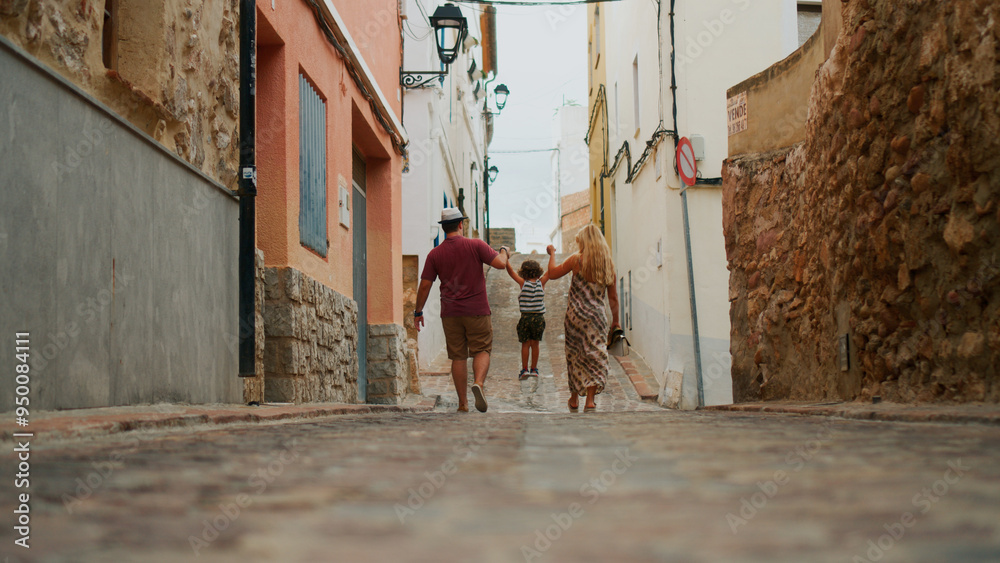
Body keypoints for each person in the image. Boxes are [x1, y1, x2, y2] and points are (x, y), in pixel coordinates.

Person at [414, 208, 510, 412]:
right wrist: (504, 251)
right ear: (460, 224)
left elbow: (424, 285)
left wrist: (418, 311)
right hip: (477, 310)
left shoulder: (435, 254)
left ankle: (463, 404)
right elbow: (501, 264)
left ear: (443, 228)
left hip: (451, 313)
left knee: (457, 356)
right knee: (482, 349)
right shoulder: (476, 245)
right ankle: (479, 384)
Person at [545, 224, 620, 411]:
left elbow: (553, 274)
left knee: (574, 354)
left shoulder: (576, 260)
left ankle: (574, 398)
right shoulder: (608, 265)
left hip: (575, 317)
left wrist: (552, 254)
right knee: (594, 355)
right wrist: (616, 322)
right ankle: (590, 400)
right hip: (596, 318)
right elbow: (613, 299)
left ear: (584, 242)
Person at [504, 258, 549, 380]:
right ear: (538, 271)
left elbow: (511, 272)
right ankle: (534, 369)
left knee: (525, 344)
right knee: (535, 344)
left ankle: (524, 370)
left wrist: (506, 259)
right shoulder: (541, 283)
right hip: (539, 318)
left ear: (523, 272)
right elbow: (550, 271)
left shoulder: (523, 283)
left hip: (525, 318)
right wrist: (552, 254)